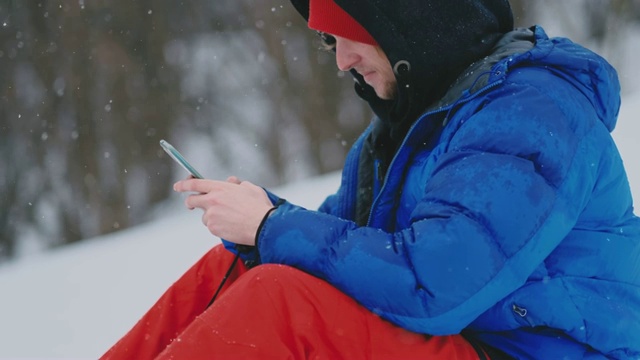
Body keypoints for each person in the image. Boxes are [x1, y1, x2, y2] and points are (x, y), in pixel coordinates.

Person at [101, 0, 640, 359]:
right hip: (462, 339)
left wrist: (273, 225)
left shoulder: (530, 112)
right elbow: (339, 254)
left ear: (409, 25)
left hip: (523, 350)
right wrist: (261, 224)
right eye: (332, 42)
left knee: (281, 297)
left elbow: (440, 283)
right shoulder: (407, 132)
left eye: (352, 36)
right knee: (242, 261)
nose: (342, 61)